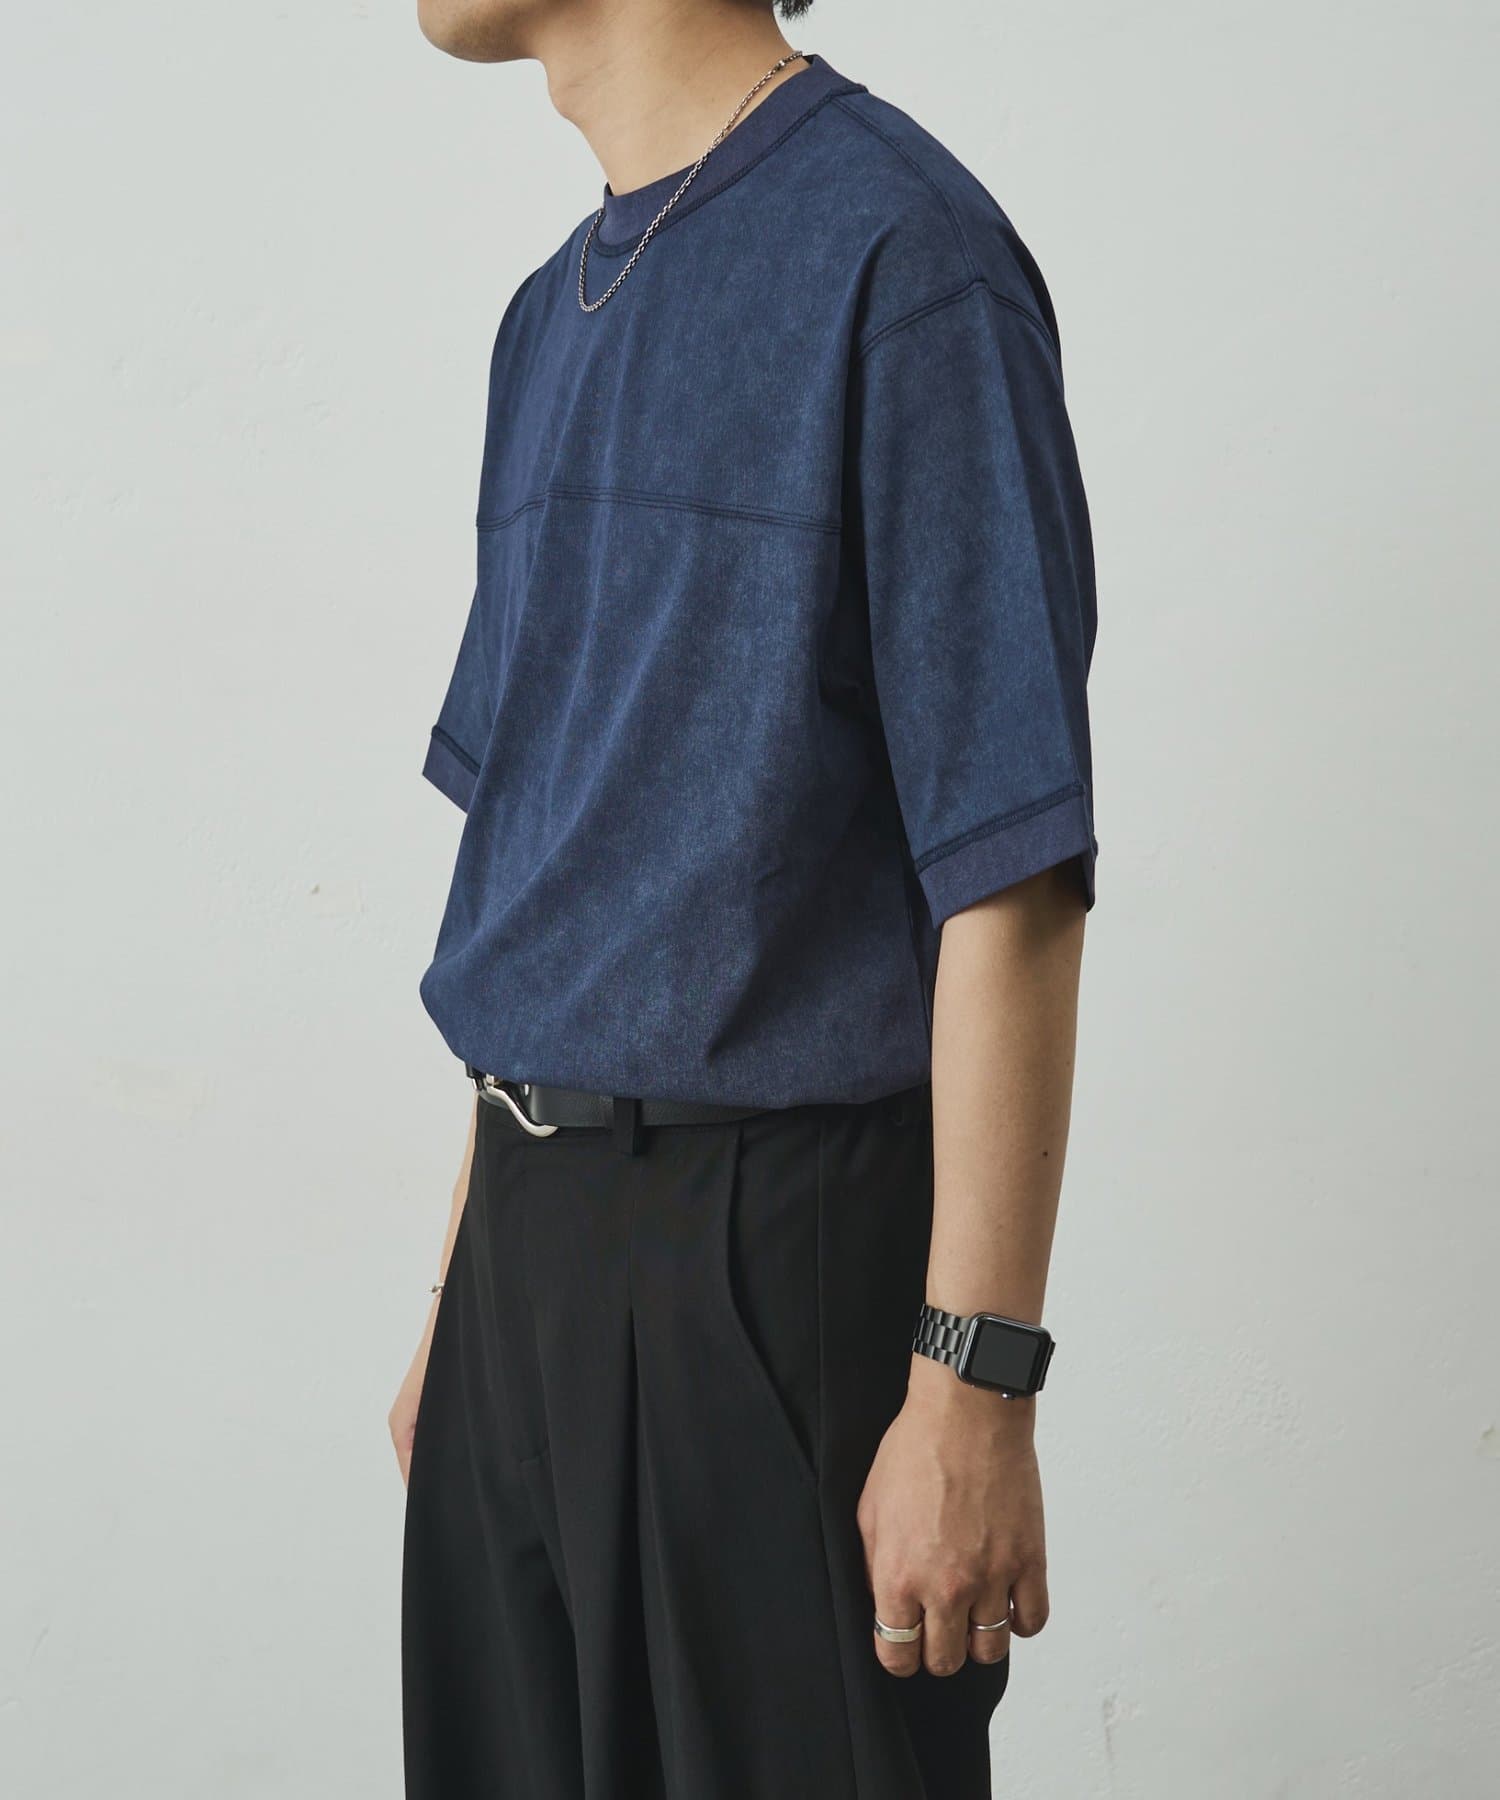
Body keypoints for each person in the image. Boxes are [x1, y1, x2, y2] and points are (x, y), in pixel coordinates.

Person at [390, 2, 1099, 1794]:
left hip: (770, 1270)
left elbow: (1009, 863)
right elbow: (540, 851)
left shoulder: (903, 256)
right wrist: (461, 1304)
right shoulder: (547, 316)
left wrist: (973, 1383)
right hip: (527, 1265)